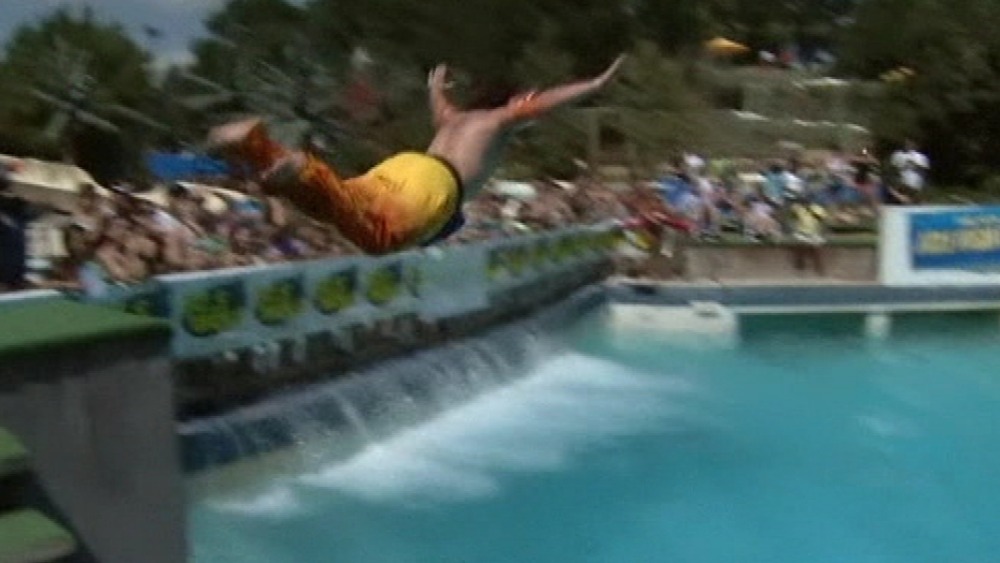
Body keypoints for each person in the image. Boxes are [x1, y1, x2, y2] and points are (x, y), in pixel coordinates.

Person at [207, 55, 626, 255]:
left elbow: (438, 102)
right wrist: (594, 84)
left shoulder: (454, 119)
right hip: (434, 185)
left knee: (337, 207)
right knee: (378, 239)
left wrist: (435, 86)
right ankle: (302, 166)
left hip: (403, 166)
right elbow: (543, 102)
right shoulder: (499, 120)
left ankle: (257, 145)